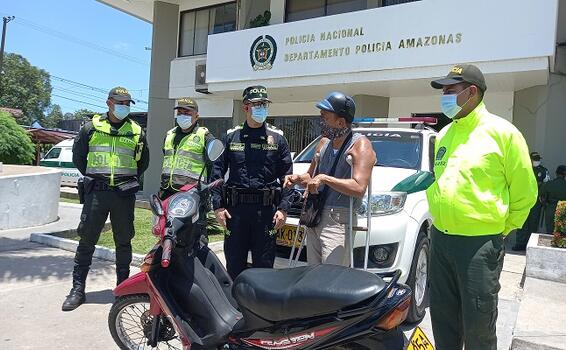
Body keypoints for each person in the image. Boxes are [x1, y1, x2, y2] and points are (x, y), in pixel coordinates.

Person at [426, 64, 537, 349]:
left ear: (471, 92)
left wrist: (502, 230)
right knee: (442, 319)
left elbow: (526, 192)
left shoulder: (504, 133)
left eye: (450, 90)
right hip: (440, 240)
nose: (445, 96)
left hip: (478, 246)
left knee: (478, 326)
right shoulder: (444, 134)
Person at [62, 87, 149, 311]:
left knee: (124, 241)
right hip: (97, 193)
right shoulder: (91, 128)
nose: (125, 107)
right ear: (109, 103)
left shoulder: (137, 131)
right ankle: (77, 289)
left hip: (123, 194)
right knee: (87, 240)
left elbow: (143, 163)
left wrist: (124, 179)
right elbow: (79, 158)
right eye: (120, 103)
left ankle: (123, 288)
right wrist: (96, 178)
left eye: (128, 103)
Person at [284, 92, 375, 266]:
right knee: (314, 273)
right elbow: (311, 176)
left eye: (325, 117)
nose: (321, 122)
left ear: (340, 122)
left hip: (338, 221)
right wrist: (296, 178)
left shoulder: (360, 145)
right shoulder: (323, 144)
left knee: (332, 277)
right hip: (315, 215)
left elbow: (359, 187)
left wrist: (325, 179)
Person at [211, 85, 292, 279]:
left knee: (264, 268)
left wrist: (284, 209)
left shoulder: (278, 140)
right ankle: (234, 307)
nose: (261, 108)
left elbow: (287, 177)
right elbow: (216, 174)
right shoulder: (231, 138)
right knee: (234, 266)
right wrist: (218, 207)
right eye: (256, 104)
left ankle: (260, 309)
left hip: (266, 213)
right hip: (236, 213)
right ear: (245, 107)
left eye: (264, 104)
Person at [159, 98, 225, 237]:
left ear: (196, 115)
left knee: (195, 239)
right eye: (180, 112)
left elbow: (214, 164)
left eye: (187, 112)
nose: (183, 115)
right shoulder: (169, 135)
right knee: (166, 237)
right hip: (167, 195)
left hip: (192, 197)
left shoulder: (204, 136)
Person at [513, 151, 550, 250]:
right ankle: (520, 243)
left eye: (538, 159)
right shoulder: (524, 169)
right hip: (524, 200)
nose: (537, 161)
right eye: (535, 159)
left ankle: (529, 244)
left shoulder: (543, 171)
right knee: (522, 222)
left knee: (533, 223)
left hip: (536, 201)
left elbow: (547, 185)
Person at [541, 165, 566, 233]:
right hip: (563, 209)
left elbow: (542, 198)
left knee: (550, 232)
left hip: (551, 208)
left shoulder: (549, 184)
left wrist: (546, 206)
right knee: (562, 233)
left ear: (556, 173)